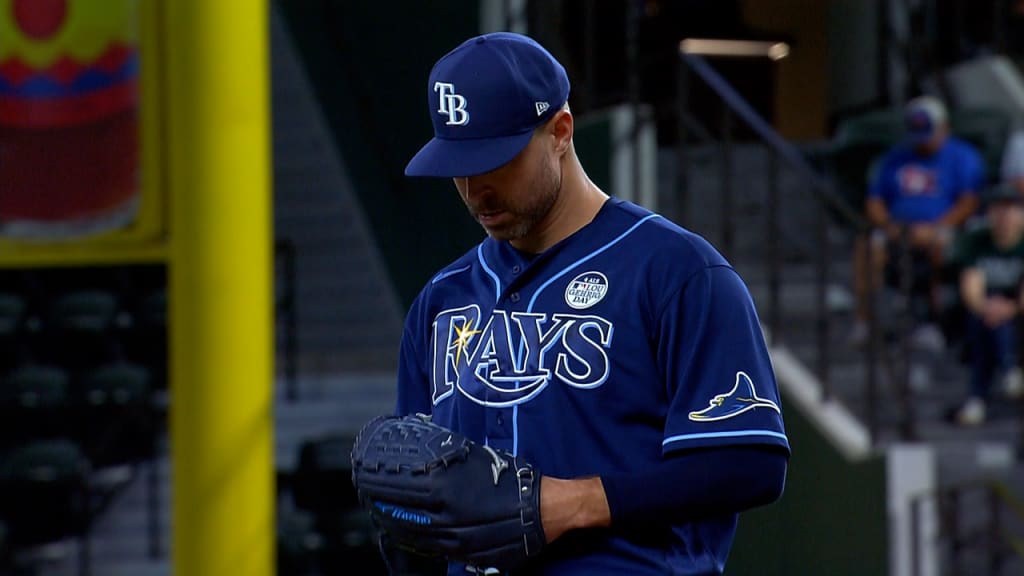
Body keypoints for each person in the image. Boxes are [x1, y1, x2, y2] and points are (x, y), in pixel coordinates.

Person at [391, 32, 789, 575]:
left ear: (560, 131)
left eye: (496, 161)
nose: (475, 188)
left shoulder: (676, 273)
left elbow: (750, 464)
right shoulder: (442, 300)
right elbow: (417, 497)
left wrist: (575, 503)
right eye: (458, 167)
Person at [849, 95, 984, 359]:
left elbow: (969, 203)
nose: (923, 141)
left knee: (939, 245)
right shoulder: (896, 157)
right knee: (867, 247)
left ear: (944, 127)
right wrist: (889, 226)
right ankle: (864, 322)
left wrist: (934, 227)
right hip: (897, 229)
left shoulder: (962, 155)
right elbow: (874, 200)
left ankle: (930, 321)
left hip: (943, 229)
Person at [949, 182, 1024, 426]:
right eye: (998, 209)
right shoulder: (976, 240)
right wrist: (988, 308)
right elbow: (971, 286)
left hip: (1019, 313)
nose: (1004, 216)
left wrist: (1010, 309)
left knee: (995, 323)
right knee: (984, 321)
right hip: (984, 313)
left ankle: (977, 398)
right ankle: (1010, 371)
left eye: (1011, 208)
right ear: (989, 213)